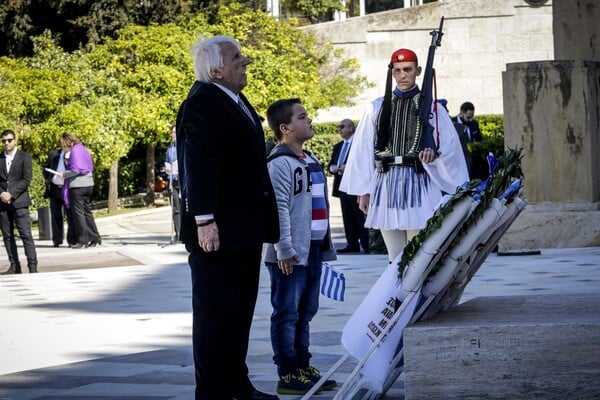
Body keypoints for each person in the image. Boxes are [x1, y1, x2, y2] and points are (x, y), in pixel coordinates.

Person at [175, 35, 280, 400]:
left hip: (242, 230)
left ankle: (237, 385)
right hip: (218, 231)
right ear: (217, 68)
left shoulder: (232, 98)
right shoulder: (203, 102)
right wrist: (204, 220)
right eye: (237, 58)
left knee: (237, 315)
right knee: (215, 318)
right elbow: (199, 164)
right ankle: (213, 392)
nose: (245, 62)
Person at [340, 48, 468, 262]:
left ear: (417, 70)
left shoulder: (434, 109)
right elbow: (363, 151)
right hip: (385, 184)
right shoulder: (377, 107)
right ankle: (396, 295)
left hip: (420, 182)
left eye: (407, 69)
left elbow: (450, 146)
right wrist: (363, 191)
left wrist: (434, 154)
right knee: (394, 257)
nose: (402, 75)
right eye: (397, 70)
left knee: (418, 255)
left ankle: (415, 295)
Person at [263, 98, 338, 395]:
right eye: (302, 117)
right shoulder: (280, 163)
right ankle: (288, 371)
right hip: (290, 254)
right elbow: (278, 207)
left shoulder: (310, 159)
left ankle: (303, 365)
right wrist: (283, 249)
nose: (309, 121)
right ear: (285, 128)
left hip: (312, 249)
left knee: (305, 311)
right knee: (287, 312)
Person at [328, 119, 369, 254]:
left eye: (342, 126)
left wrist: (349, 167)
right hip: (341, 185)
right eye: (339, 127)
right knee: (347, 217)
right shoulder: (338, 146)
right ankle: (351, 243)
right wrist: (332, 167)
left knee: (359, 215)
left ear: (351, 128)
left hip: (354, 185)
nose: (339, 129)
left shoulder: (358, 144)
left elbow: (362, 162)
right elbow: (331, 163)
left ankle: (365, 243)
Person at [0, 129, 38, 274]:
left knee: (26, 235)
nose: (6, 143)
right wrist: (2, 193)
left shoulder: (24, 157)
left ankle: (32, 266)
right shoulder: (0, 158)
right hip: (2, 204)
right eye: (4, 141)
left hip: (20, 202)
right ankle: (14, 266)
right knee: (7, 235)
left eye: (9, 140)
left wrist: (12, 194)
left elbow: (26, 179)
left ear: (15, 140)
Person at [58, 132, 102, 249]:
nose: (64, 149)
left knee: (79, 213)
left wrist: (64, 174)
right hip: (89, 184)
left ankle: (82, 240)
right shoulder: (83, 148)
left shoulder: (75, 151)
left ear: (68, 142)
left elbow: (76, 170)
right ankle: (94, 237)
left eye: (64, 145)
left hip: (77, 186)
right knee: (87, 212)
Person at [43, 148, 77, 247]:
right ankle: (57, 239)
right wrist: (48, 178)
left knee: (70, 215)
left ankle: (72, 240)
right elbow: (46, 166)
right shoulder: (54, 153)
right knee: (55, 215)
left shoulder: (73, 154)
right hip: (54, 188)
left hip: (67, 188)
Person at [452, 101, 484, 179]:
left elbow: (479, 139)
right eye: (468, 117)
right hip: (458, 160)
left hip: (473, 161)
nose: (470, 120)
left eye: (472, 116)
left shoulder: (474, 123)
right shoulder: (452, 123)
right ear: (462, 112)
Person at [164, 124, 180, 238]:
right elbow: (167, 161)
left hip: (181, 179)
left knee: (184, 205)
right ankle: (178, 232)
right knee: (175, 207)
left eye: (175, 132)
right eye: (172, 132)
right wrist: (167, 167)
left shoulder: (182, 145)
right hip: (172, 179)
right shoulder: (170, 148)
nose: (173, 134)